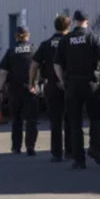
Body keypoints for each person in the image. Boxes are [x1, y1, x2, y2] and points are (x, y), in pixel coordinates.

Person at [54, 10, 100, 170]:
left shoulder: (65, 40)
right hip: (92, 83)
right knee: (95, 119)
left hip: (72, 84)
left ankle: (79, 160)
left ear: (74, 21)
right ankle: (95, 149)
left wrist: (62, 80)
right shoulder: (93, 37)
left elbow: (57, 64)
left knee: (75, 123)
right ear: (87, 20)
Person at [31, 14, 73, 162]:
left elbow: (34, 65)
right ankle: (70, 151)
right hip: (70, 85)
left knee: (55, 121)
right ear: (68, 27)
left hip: (51, 85)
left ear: (55, 26)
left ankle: (57, 154)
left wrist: (32, 83)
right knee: (70, 119)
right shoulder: (71, 43)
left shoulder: (45, 44)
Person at [0, 26, 38, 156]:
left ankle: (16, 147)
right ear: (28, 35)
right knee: (31, 119)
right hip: (31, 88)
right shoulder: (34, 50)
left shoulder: (11, 51)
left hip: (15, 90)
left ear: (16, 36)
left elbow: (3, 73)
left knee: (16, 119)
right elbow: (40, 67)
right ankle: (30, 146)